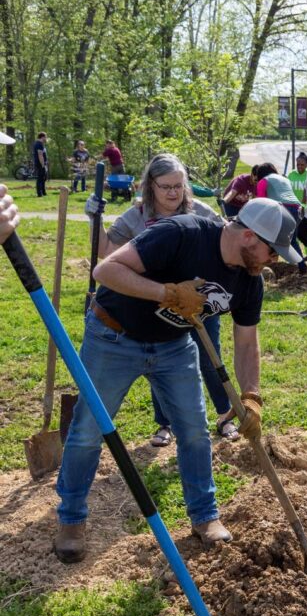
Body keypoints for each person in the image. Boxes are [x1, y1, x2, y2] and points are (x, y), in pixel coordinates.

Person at [53, 197, 302, 563]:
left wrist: (251, 396)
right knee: (89, 430)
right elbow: (105, 271)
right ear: (249, 236)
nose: (274, 260)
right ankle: (71, 519)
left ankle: (205, 516)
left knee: (194, 431)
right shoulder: (180, 233)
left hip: (173, 346)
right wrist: (167, 293)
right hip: (114, 337)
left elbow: (247, 342)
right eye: (272, 251)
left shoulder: (249, 282)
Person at [85, 153, 241, 444]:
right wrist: (95, 219)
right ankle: (164, 424)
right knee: (160, 362)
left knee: (210, 358)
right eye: (166, 186)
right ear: (151, 185)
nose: (173, 193)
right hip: (157, 306)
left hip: (199, 303)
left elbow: (228, 243)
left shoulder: (201, 212)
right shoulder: (137, 216)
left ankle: (223, 415)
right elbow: (106, 251)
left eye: (178, 186)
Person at [255, 163, 307, 273]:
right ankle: (302, 268)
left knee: (271, 237)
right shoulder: (284, 179)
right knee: (291, 241)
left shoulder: (263, 181)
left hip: (282, 208)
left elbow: (260, 202)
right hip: (297, 209)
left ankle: (268, 265)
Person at [32, 132, 48, 197]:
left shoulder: (41, 144)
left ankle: (43, 192)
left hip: (43, 163)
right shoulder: (38, 144)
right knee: (40, 178)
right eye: (45, 137)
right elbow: (40, 155)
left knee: (44, 178)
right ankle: (39, 193)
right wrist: (43, 165)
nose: (46, 138)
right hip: (40, 164)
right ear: (42, 137)